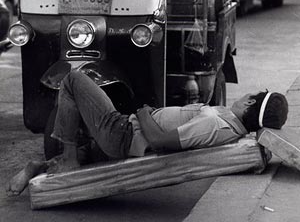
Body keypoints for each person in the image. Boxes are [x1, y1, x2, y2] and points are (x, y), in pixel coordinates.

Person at [6, 70, 288, 196]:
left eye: (249, 95)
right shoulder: (228, 122)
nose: (244, 96)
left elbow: (159, 141)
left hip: (123, 133)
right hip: (126, 135)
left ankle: (68, 158)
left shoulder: (216, 124)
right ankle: (38, 166)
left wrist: (142, 112)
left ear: (250, 102)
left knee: (73, 80)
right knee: (85, 143)